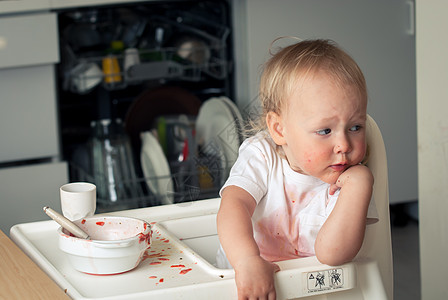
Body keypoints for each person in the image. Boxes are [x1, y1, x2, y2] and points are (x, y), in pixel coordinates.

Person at [216, 38, 377, 299]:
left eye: (355, 127)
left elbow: (332, 255)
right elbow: (232, 206)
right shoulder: (262, 154)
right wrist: (247, 260)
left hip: (311, 291)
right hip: (243, 283)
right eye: (325, 130)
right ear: (280, 130)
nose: (344, 145)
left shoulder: (351, 180)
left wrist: (360, 185)